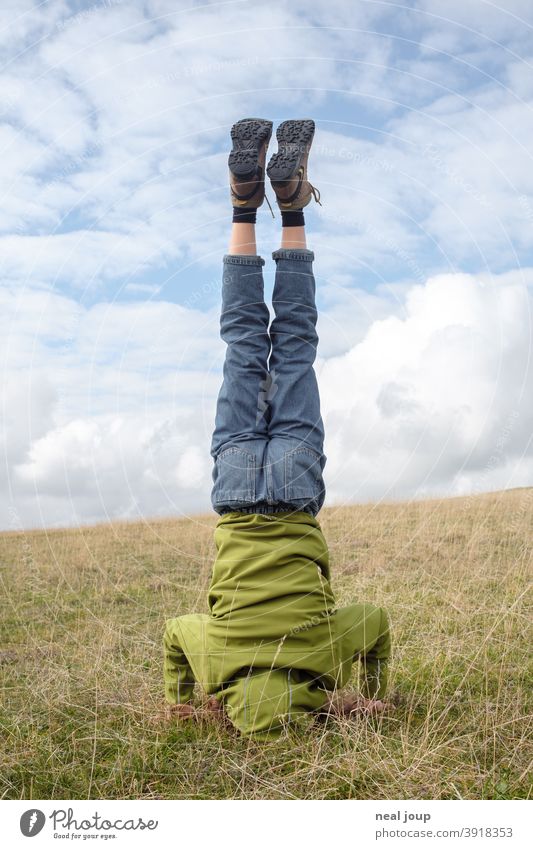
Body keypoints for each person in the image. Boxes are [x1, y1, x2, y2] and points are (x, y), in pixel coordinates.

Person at [162, 118, 392, 739]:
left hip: (292, 488)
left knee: (294, 346)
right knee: (240, 344)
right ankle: (244, 203)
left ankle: (290, 210)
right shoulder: (214, 662)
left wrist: (368, 694)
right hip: (236, 493)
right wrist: (184, 696)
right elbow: (174, 633)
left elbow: (374, 620)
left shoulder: (324, 660)